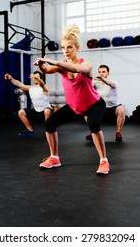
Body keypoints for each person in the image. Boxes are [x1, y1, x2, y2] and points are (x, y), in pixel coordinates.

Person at [33, 24, 110, 174]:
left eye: (69, 47)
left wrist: (55, 62)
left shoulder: (86, 64)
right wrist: (42, 64)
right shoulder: (61, 66)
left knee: (93, 123)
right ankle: (54, 157)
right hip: (74, 107)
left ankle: (104, 161)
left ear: (76, 48)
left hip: (94, 104)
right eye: (63, 48)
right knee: (49, 124)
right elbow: (47, 70)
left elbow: (77, 69)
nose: (66, 51)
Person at [85, 64, 126, 142]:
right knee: (86, 113)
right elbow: (87, 85)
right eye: (99, 72)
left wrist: (102, 79)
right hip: (100, 107)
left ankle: (118, 132)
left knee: (121, 110)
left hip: (113, 106)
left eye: (103, 72)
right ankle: (93, 130)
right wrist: (90, 79)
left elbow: (110, 84)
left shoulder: (114, 82)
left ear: (108, 73)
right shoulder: (95, 83)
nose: (101, 73)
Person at [4, 71, 52, 136]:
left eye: (37, 77)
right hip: (36, 111)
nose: (35, 78)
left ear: (41, 78)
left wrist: (37, 78)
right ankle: (30, 130)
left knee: (47, 111)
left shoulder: (44, 87)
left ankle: (48, 131)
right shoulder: (30, 88)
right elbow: (19, 84)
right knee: (21, 112)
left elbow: (42, 84)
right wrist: (11, 79)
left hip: (45, 112)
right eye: (34, 77)